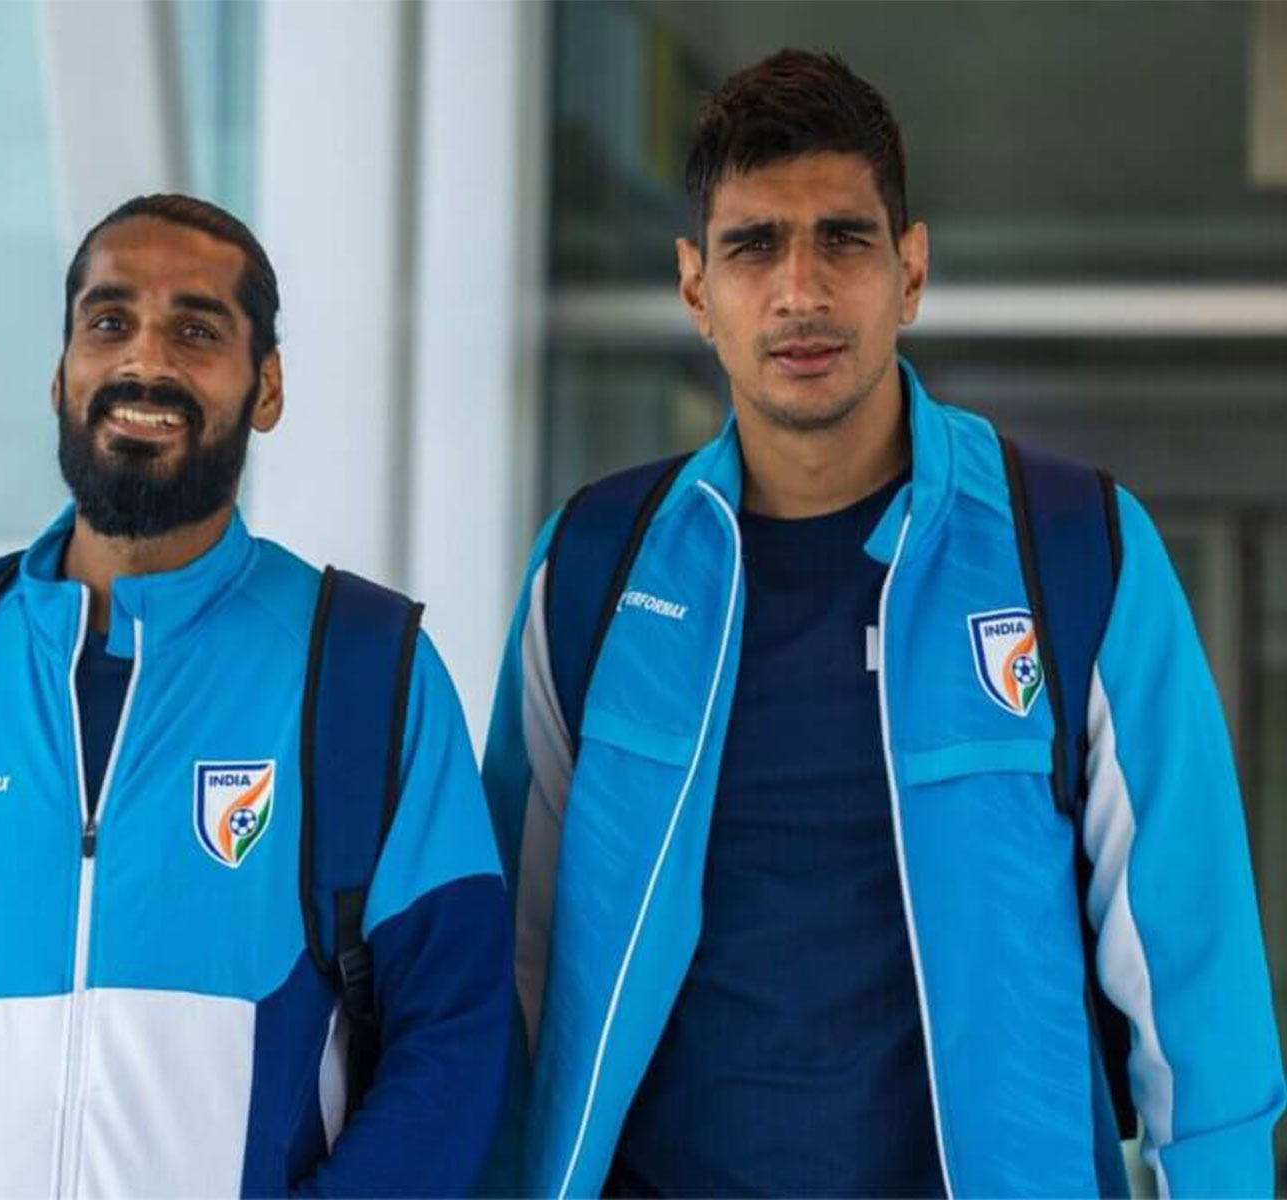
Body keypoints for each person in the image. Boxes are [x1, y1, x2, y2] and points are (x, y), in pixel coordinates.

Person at [483, 50, 1282, 1198]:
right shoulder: (593, 569)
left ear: (909, 271)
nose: (799, 290)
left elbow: (1190, 974)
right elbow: (507, 971)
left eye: (843, 240)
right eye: (753, 246)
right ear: (695, 288)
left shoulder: (1075, 551)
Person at [0, 194, 511, 1198]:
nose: (145, 360)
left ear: (266, 388)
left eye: (196, 331)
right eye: (109, 321)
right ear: (60, 375)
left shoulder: (364, 668)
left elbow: (455, 1040)